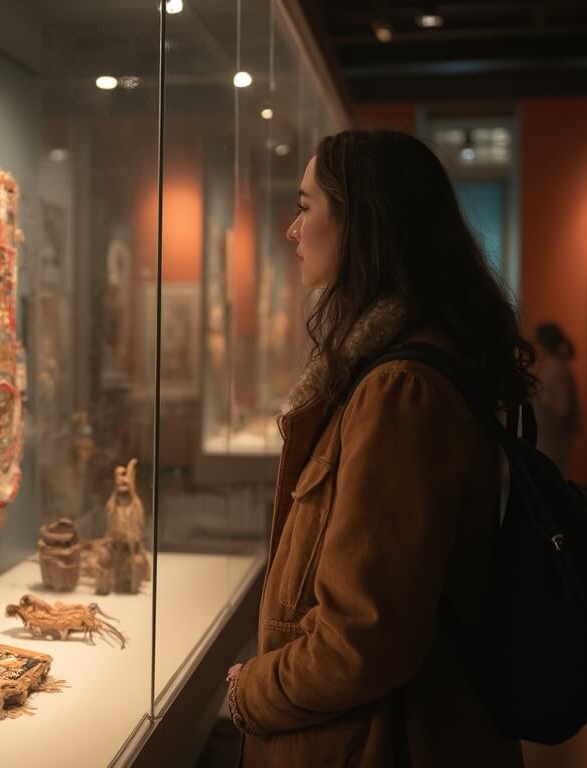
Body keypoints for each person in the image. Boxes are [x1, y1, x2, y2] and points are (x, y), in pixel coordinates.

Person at [225, 129, 534, 767]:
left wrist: (252, 690)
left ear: (361, 222)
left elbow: (361, 641)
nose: (292, 229)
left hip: (377, 743)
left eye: (306, 207)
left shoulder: (400, 389)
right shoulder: (398, 371)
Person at [533, 322, 580, 473]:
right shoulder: (557, 367)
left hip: (551, 440)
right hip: (548, 439)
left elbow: (562, 408)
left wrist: (542, 402)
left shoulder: (558, 369)